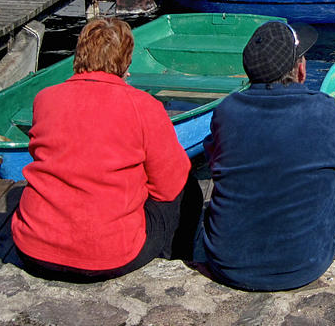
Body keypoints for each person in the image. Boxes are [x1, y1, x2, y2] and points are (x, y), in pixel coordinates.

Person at [11, 18, 202, 282]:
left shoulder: (46, 98)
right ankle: (175, 269)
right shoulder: (143, 106)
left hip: (34, 248)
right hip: (110, 254)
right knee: (188, 189)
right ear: (125, 62)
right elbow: (169, 186)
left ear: (80, 55)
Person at [202, 20, 335, 291]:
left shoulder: (226, 111)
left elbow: (214, 158)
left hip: (227, 262)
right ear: (301, 70)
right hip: (303, 265)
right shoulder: (327, 112)